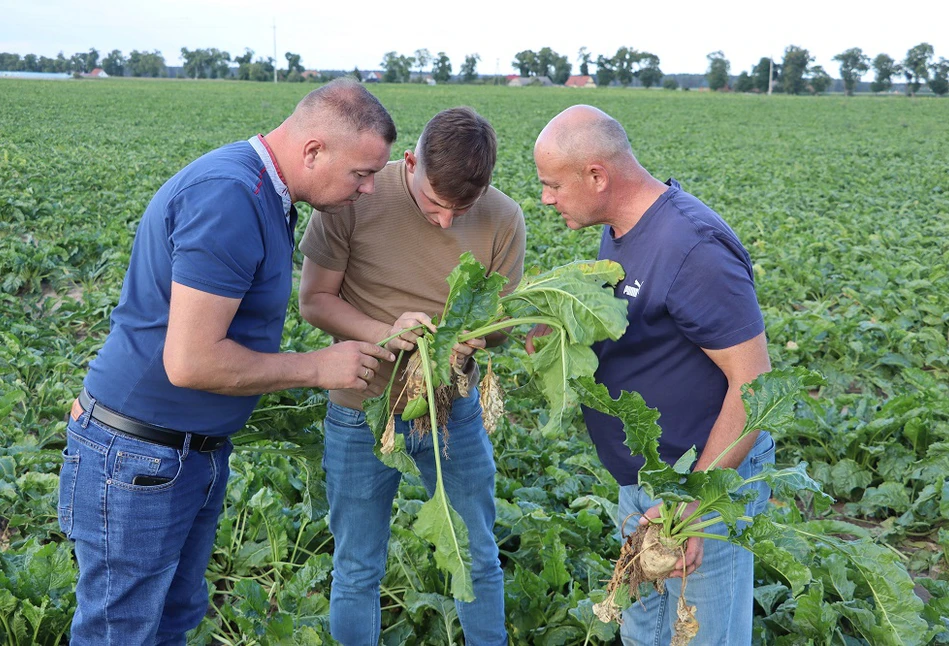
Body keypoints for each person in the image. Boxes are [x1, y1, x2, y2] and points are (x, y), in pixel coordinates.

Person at [58, 78, 397, 646]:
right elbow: (191, 362)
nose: (367, 188)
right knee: (120, 632)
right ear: (314, 151)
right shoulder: (231, 196)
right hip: (139, 457)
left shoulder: (269, 192)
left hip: (184, 454)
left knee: (171, 619)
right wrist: (317, 367)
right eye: (362, 173)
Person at [531, 105, 773, 645]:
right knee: (643, 635)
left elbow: (755, 387)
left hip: (704, 489)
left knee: (702, 638)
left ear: (597, 176)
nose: (545, 198)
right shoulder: (622, 227)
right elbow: (643, 325)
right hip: (644, 487)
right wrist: (568, 330)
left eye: (552, 184)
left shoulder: (692, 247)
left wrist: (692, 497)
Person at [298, 106, 525, 645]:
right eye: (434, 204)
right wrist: (385, 330)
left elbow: (503, 324)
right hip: (361, 410)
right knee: (357, 567)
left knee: (477, 556)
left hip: (454, 411)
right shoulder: (355, 199)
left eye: (461, 208)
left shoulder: (504, 217)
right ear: (409, 163)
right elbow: (314, 302)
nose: (447, 220)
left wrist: (480, 335)